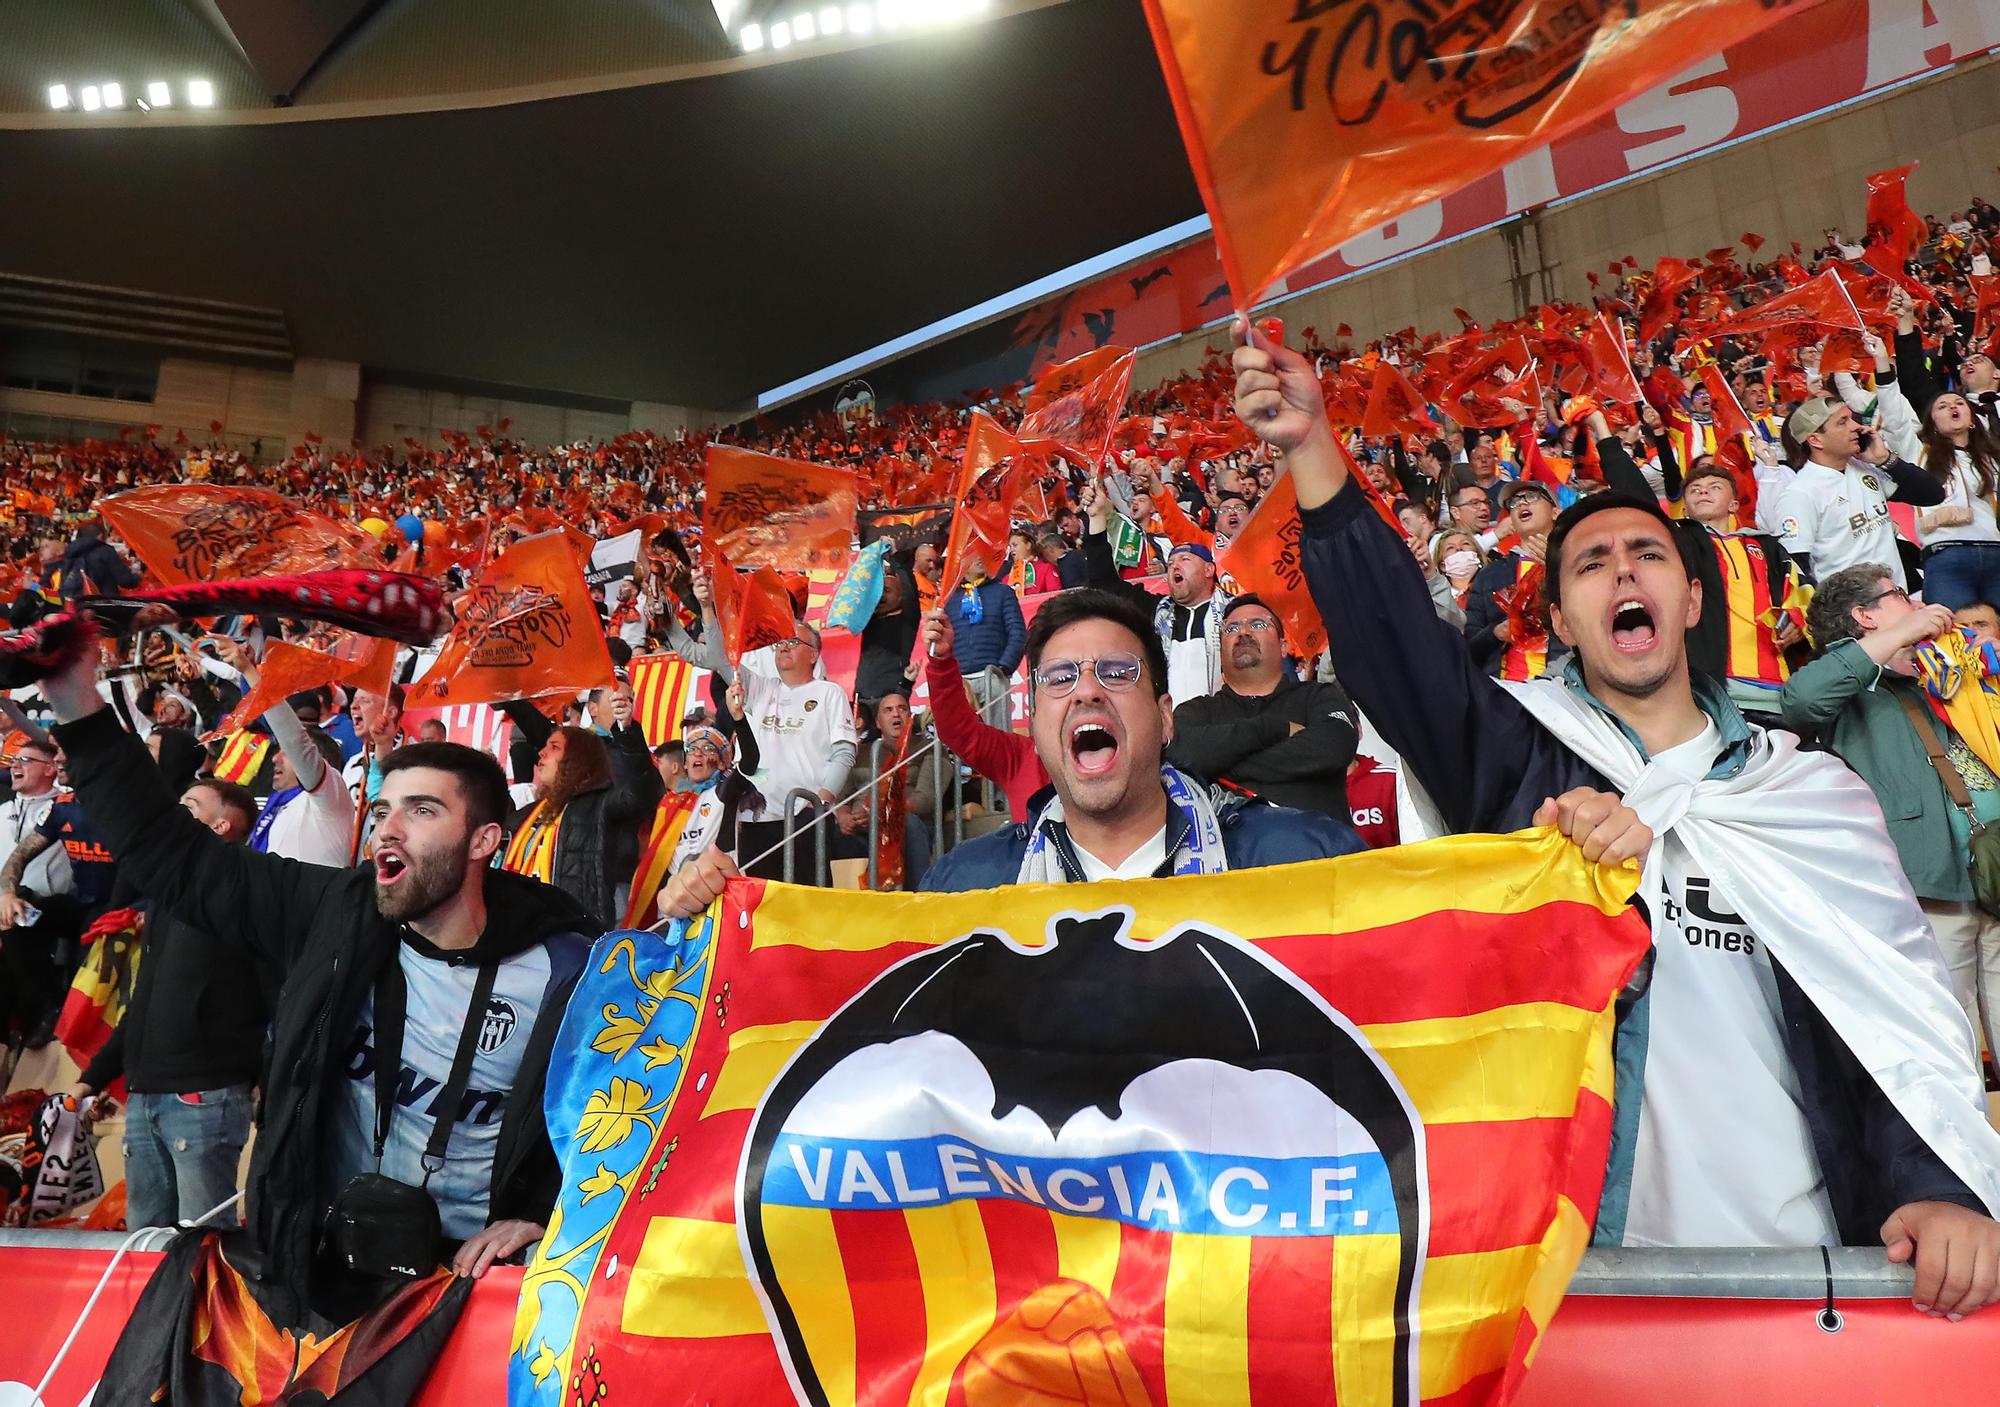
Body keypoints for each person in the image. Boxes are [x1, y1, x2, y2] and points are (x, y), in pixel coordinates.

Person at [1234, 318, 2000, 1311]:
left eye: (1646, 553)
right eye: (1589, 563)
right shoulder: (1516, 765)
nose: (1623, 570)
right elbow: (1396, 653)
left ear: (1689, 599)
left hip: (1810, 1279)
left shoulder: (1802, 793)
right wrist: (1311, 450)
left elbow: (1886, 1021)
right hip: (1583, 1282)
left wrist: (1937, 1189)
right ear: (1556, 620)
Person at [37, 640, 596, 1319]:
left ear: (482, 841)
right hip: (325, 1274)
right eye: (384, 808)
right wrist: (74, 701)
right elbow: (171, 856)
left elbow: (633, 1113)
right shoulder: (336, 912)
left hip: (478, 1290)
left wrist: (547, 1215)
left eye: (422, 811)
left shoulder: (570, 968)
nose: (388, 828)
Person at [656, 589, 1361, 913]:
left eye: (1116, 673)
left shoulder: (1306, 862)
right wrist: (716, 922)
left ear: (1166, 717)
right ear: (1038, 717)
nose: (1087, 691)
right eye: (1060, 676)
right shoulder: (964, 889)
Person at [1782, 565, 2000, 1078]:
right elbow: (1800, 701)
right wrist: (1905, 631)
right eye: (1900, 596)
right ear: (1865, 616)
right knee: (1952, 1048)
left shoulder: (1943, 668)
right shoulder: (1849, 686)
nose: (1918, 604)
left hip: (1996, 873)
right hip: (1932, 888)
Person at [67, 778, 270, 1230]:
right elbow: (145, 1002)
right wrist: (93, 1078)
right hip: (146, 1094)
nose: (176, 811)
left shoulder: (248, 894)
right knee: (143, 1244)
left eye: (190, 805)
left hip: (204, 1095)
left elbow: (276, 996)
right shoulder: (164, 898)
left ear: (222, 826)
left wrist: (265, 1079)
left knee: (200, 1250)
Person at [1592, 411, 1804, 722]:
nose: (1703, 490)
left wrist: (1797, 620)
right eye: (1694, 489)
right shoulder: (1681, 542)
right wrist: (1603, 433)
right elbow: (1636, 496)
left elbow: (1802, 590)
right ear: (1686, 507)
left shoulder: (1769, 546)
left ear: (1734, 503)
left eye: (1715, 486)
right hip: (1711, 691)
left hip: (1780, 688)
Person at [1167, 594, 1359, 822]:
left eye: (1258, 624)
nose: (1243, 632)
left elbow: (1334, 749)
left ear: (1283, 646)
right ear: (1221, 648)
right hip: (1227, 854)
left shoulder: (1320, 696)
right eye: (1231, 628)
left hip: (1322, 851)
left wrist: (1218, 765)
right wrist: (1272, 728)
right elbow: (1178, 759)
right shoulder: (1196, 711)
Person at [499, 682, 663, 931]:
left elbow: (641, 791)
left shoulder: (600, 804)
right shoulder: (527, 816)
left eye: (553, 748)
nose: (541, 753)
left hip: (584, 925)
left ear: (576, 760)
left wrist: (628, 732)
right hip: (528, 929)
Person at [1772, 375, 1943, 587]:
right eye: (1843, 422)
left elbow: (1933, 494)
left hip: (1895, 599)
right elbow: (1795, 566)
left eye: (1852, 418)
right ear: (1815, 440)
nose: (1856, 426)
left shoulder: (1865, 467)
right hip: (1851, 611)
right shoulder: (1800, 493)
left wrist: (1885, 460)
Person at [1082, 481, 1233, 705]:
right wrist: (1096, 518)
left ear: (1209, 569)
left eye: (1185, 559)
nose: (1175, 566)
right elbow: (1105, 585)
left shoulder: (1234, 613)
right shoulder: (1156, 611)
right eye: (1170, 562)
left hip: (1224, 726)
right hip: (1170, 732)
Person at [921, 608, 1047, 822]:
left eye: (1111, 674)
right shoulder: (1021, 758)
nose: (1085, 692)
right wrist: (941, 662)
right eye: (1062, 678)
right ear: (1035, 705)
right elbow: (960, 732)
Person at [0, 737, 73, 1044]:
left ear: (50, 769)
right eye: (14, 760)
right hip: (5, 905)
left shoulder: (66, 807)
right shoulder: (2, 810)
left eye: (26, 760)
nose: (15, 764)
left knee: (17, 926)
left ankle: (45, 1015)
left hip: (48, 906)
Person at [1465, 480, 1563, 679]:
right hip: (1503, 694)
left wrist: (1558, 566)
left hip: (1564, 686)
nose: (1521, 504)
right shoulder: (1489, 575)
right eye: (1514, 502)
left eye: (1532, 497)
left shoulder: (1577, 561)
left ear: (1555, 512)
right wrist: (1495, 633)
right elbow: (1469, 650)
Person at [943, 548, 1027, 718]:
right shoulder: (949, 599)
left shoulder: (1003, 592)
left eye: (983, 553)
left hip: (993, 677)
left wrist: (1003, 668)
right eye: (973, 554)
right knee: (962, 738)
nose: (980, 558)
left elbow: (1017, 632)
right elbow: (944, 641)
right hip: (960, 681)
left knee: (996, 737)